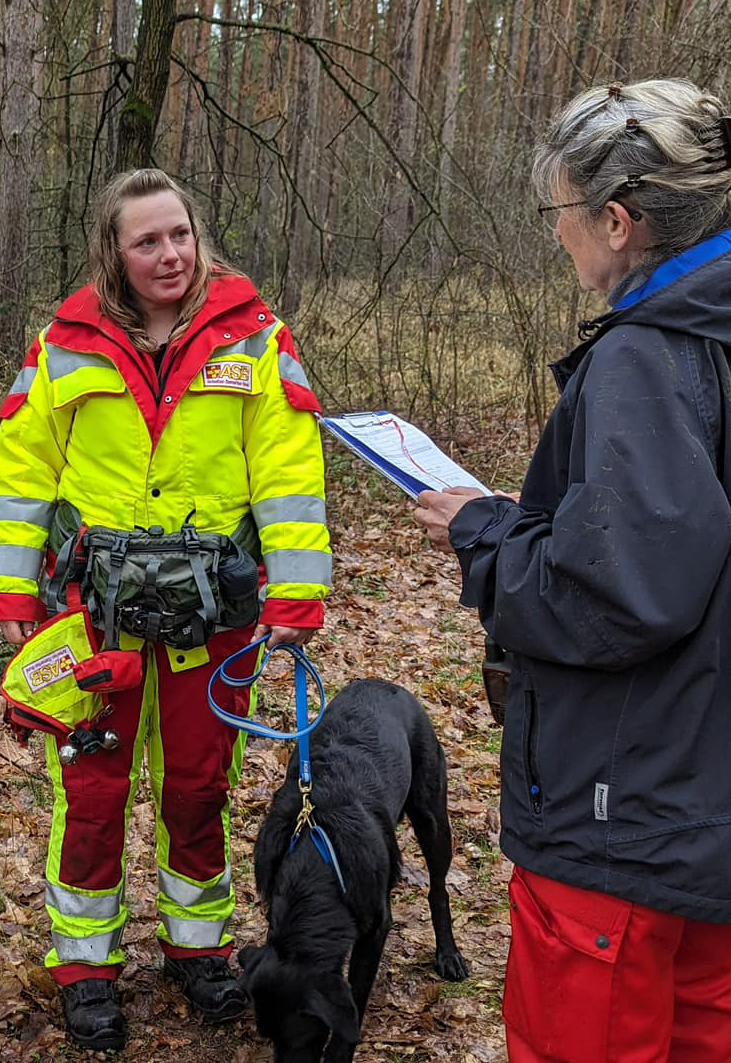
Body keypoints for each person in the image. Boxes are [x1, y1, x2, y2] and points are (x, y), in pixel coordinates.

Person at [412, 79, 731, 1063]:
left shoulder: (645, 357)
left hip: (621, 813)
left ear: (617, 221)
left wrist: (480, 535)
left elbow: (619, 593)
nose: (556, 237)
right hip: (703, 808)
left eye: (559, 214)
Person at [0, 168, 332, 1049]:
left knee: (198, 787)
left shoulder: (255, 337)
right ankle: (85, 968)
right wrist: (12, 587)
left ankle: (197, 948)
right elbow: (22, 473)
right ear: (114, 249)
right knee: (90, 791)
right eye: (147, 240)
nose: (169, 253)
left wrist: (296, 592)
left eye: (178, 233)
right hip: (93, 613)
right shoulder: (63, 343)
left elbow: (288, 473)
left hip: (214, 613)